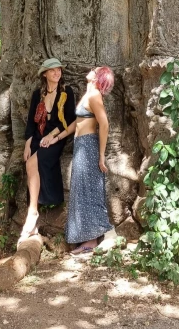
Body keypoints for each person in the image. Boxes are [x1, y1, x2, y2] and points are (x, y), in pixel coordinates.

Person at [49, 66, 115, 255]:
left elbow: (104, 124)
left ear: (98, 77)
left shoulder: (94, 96)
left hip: (89, 146)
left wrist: (101, 155)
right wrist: (58, 137)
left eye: (95, 70)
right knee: (81, 189)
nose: (91, 70)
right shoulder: (88, 95)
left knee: (88, 190)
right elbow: (76, 123)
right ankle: (88, 238)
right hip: (81, 145)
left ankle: (92, 240)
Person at [21, 58, 76, 240]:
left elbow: (68, 120)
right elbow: (31, 121)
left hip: (55, 138)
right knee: (29, 163)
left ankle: (32, 213)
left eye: (59, 70)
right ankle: (33, 213)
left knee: (32, 164)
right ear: (45, 74)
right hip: (38, 137)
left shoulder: (66, 92)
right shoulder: (38, 94)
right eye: (52, 71)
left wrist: (52, 137)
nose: (57, 73)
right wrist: (28, 144)